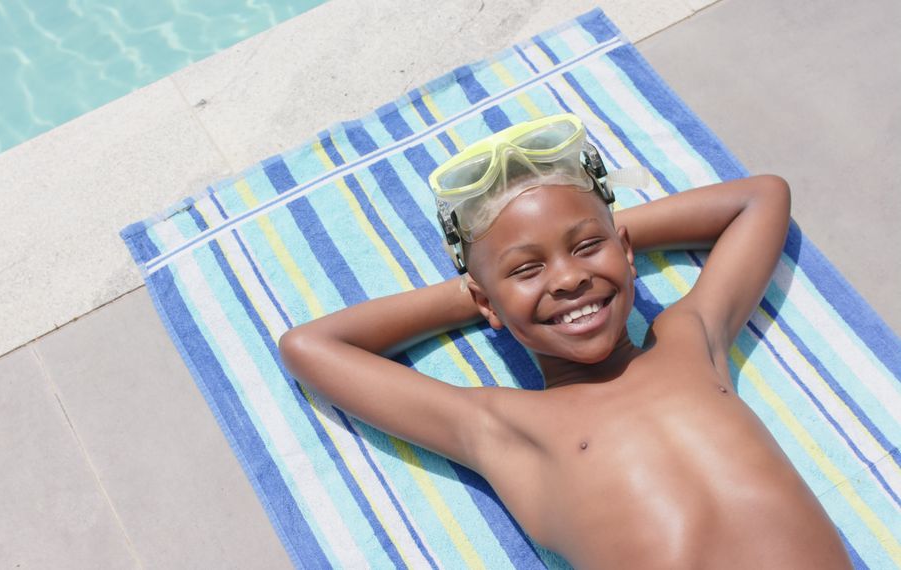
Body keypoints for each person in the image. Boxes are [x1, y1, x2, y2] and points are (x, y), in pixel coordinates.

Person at [277, 114, 852, 568]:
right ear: (484, 302)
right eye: (528, 269)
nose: (569, 278)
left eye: (585, 249)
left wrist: (598, 243)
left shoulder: (686, 339)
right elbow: (310, 346)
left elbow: (762, 198)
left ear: (625, 249)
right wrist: (491, 291)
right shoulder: (504, 428)